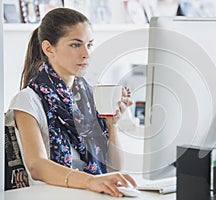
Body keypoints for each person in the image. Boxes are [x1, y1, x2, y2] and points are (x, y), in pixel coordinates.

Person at [5, 7, 136, 197]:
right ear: (49, 48)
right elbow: (37, 166)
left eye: (89, 45)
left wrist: (111, 124)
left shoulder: (89, 98)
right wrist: (90, 181)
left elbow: (114, 168)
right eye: (76, 45)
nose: (86, 54)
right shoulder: (27, 99)